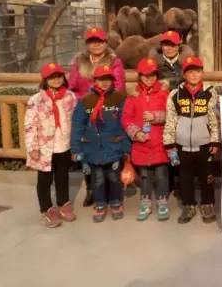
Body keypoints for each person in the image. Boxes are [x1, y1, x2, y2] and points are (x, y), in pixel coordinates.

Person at [69, 26, 125, 207]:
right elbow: (71, 85)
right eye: (92, 41)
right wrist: (84, 99)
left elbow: (118, 86)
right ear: (87, 44)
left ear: (105, 43)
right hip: (86, 110)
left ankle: (111, 191)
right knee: (89, 150)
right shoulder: (79, 61)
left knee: (109, 148)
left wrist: (108, 102)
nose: (96, 45)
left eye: (100, 41)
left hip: (107, 109)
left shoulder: (114, 61)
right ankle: (91, 189)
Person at [163, 56, 220, 224]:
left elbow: (213, 119)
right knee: (185, 177)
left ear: (202, 73)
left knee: (206, 176)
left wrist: (215, 141)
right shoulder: (175, 94)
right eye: (190, 72)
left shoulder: (210, 92)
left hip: (204, 143)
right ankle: (189, 205)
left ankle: (207, 203)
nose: (194, 75)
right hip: (182, 145)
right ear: (184, 74)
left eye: (197, 71)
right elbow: (171, 119)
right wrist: (169, 143)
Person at [71, 65, 130, 222]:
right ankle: (100, 204)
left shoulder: (119, 98)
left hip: (114, 146)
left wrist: (126, 147)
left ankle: (116, 202)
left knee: (114, 177)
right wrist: (76, 148)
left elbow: (125, 123)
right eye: (101, 79)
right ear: (95, 81)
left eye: (108, 79)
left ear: (112, 80)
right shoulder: (86, 101)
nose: (104, 83)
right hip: (93, 148)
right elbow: (78, 126)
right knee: (98, 179)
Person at [24, 63, 78, 228]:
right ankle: (46, 209)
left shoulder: (70, 97)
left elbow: (76, 121)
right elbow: (29, 125)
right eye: (52, 77)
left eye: (59, 76)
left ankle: (63, 203)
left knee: (63, 176)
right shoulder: (36, 100)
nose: (56, 80)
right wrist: (32, 147)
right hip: (44, 146)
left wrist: (76, 144)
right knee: (44, 179)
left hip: (64, 144)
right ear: (45, 79)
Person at [122, 58, 170, 221]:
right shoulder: (133, 96)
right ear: (139, 76)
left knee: (162, 174)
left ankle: (162, 201)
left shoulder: (164, 93)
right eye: (145, 75)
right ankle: (145, 202)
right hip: (141, 144)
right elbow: (126, 119)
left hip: (160, 142)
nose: (149, 78)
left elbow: (171, 114)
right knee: (144, 176)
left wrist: (156, 117)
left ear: (157, 75)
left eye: (152, 75)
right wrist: (136, 133)